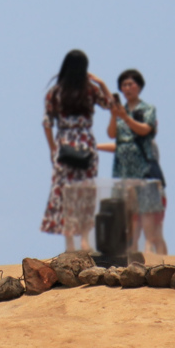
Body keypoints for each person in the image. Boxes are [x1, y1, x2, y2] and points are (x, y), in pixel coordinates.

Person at [41, 50, 112, 252]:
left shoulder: (54, 93)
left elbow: (47, 123)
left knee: (66, 194)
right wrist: (101, 83)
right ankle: (85, 241)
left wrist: (52, 149)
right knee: (86, 192)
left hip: (64, 144)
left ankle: (70, 243)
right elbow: (111, 105)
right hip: (86, 142)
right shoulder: (90, 90)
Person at [108, 69, 166, 254]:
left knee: (149, 222)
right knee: (128, 222)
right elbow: (111, 134)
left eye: (130, 84)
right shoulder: (120, 111)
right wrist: (114, 115)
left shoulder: (147, 109)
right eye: (123, 85)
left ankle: (155, 260)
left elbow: (145, 130)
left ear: (139, 86)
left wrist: (125, 118)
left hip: (144, 170)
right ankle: (130, 259)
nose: (127, 88)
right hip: (123, 171)